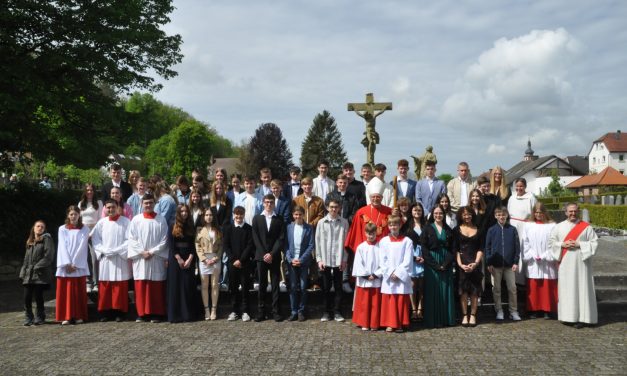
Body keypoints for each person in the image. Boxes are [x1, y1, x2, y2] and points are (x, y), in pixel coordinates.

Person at [548, 203, 598, 328]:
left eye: (575, 211)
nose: (573, 214)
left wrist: (579, 244)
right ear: (566, 212)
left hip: (582, 264)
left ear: (578, 211)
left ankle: (583, 318)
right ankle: (567, 317)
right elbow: (551, 243)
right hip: (565, 263)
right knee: (567, 289)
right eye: (570, 211)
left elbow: (595, 243)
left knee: (582, 288)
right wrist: (562, 245)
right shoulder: (558, 227)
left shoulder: (586, 227)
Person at [127, 194, 169, 323]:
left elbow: (165, 240)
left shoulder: (161, 219)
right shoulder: (136, 220)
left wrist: (151, 252)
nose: (148, 205)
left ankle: (156, 313)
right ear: (141, 204)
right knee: (141, 286)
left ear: (154, 203)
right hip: (141, 258)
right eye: (146, 203)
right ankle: (142, 313)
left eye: (151, 203)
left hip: (155, 257)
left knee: (155, 287)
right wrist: (141, 252)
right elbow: (131, 238)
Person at [91, 200, 131, 322]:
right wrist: (104, 250)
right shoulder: (101, 223)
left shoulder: (126, 222)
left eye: (113, 207)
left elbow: (130, 239)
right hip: (106, 258)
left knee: (119, 286)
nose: (110, 210)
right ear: (105, 209)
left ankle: (119, 312)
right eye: (108, 208)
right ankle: (105, 312)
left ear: (118, 208)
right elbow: (95, 240)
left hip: (119, 258)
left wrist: (116, 250)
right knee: (106, 286)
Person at [251, 194, 286, 322]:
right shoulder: (256, 219)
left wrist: (271, 253)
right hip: (261, 257)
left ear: (274, 204)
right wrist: (264, 254)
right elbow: (255, 238)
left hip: (274, 256)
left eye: (271, 202)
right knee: (262, 284)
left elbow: (280, 238)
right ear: (263, 203)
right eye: (266, 202)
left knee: (275, 284)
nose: (269, 204)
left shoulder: (279, 219)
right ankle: (261, 311)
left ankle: (276, 311)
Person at [377, 215, 413, 333]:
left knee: (400, 299)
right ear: (388, 226)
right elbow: (382, 259)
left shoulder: (407, 241)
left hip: (401, 276)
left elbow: (407, 260)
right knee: (390, 299)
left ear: (400, 225)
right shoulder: (383, 241)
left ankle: (400, 323)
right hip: (389, 276)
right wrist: (390, 272)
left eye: (395, 224)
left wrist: (398, 273)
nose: (393, 227)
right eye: (391, 225)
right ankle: (389, 323)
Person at [421, 205, 456, 328]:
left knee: (446, 290)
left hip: (445, 263)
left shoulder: (448, 230)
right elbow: (424, 248)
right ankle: (433, 320)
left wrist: (445, 264)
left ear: (444, 214)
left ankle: (446, 319)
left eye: (440, 213)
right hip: (432, 263)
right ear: (432, 214)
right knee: (432, 291)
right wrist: (435, 265)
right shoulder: (427, 229)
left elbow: (452, 249)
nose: (438, 215)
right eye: (436, 213)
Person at [316, 198, 350, 322]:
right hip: (325, 259)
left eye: (336, 207)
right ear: (327, 208)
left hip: (339, 260)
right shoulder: (321, 222)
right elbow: (318, 242)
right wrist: (319, 259)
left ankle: (337, 312)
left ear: (339, 208)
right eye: (331, 207)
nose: (334, 209)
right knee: (325, 287)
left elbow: (346, 243)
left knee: (338, 287)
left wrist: (344, 260)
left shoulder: (344, 222)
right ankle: (326, 312)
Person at [485, 206, 521, 321]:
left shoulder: (512, 229)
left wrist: (515, 261)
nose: (501, 217)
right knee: (496, 288)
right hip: (495, 265)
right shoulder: (491, 230)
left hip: (510, 265)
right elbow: (488, 247)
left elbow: (517, 247)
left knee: (512, 288)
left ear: (507, 216)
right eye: (499, 215)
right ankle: (499, 310)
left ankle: (513, 311)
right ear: (495, 216)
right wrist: (489, 262)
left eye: (503, 215)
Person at [56, 205, 90, 325]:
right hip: (66, 266)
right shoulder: (62, 229)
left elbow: (82, 246)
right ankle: (66, 316)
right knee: (66, 292)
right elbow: (62, 247)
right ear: (68, 216)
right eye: (71, 214)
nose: (73, 216)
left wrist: (75, 263)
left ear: (79, 215)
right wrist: (67, 263)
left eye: (75, 214)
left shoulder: (85, 229)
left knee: (78, 292)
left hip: (78, 266)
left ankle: (78, 315)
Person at [522, 202, 557, 319]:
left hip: (547, 259)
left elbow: (554, 243)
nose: (538, 214)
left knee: (548, 286)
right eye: (536, 212)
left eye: (540, 212)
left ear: (544, 212)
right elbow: (525, 242)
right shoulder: (528, 225)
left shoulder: (552, 226)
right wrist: (532, 254)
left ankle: (548, 309)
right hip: (533, 259)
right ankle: (534, 309)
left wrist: (545, 255)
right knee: (534, 285)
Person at [167, 205, 199, 323]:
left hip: (188, 258)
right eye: (182, 211)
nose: (184, 213)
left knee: (187, 286)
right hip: (176, 259)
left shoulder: (191, 226)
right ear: (178, 213)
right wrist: (179, 258)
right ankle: (176, 315)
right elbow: (171, 245)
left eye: (186, 211)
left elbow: (193, 245)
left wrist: (190, 259)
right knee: (176, 286)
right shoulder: (172, 225)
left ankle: (187, 315)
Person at [453, 206, 484, 327]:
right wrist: (460, 264)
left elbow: (481, 248)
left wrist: (475, 263)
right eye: (464, 214)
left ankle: (473, 315)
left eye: (469, 214)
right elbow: (455, 249)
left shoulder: (479, 229)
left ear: (473, 215)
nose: (467, 216)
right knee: (464, 292)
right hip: (462, 264)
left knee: (474, 291)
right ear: (461, 216)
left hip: (475, 263)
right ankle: (465, 315)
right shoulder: (456, 230)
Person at [223, 206, 255, 322]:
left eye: (241, 214)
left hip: (245, 263)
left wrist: (241, 260)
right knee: (233, 288)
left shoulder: (249, 229)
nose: (238, 216)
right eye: (236, 214)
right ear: (233, 215)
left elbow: (250, 246)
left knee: (245, 288)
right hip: (232, 264)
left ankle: (245, 311)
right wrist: (233, 260)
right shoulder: (228, 229)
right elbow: (226, 246)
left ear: (244, 215)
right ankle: (234, 311)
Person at [20, 220, 55, 326]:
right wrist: (22, 272)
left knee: (38, 295)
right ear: (34, 228)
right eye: (38, 226)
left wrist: (37, 266)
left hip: (40, 274)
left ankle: (40, 316)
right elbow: (26, 259)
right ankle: (28, 317)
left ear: (44, 229)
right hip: (29, 274)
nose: (40, 228)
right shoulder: (30, 241)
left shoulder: (47, 239)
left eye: (42, 227)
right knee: (27, 296)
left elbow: (49, 256)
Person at [345, 178, 392, 252]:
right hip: (365, 249)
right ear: (370, 198)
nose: (375, 199)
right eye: (373, 197)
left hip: (384, 249)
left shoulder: (389, 212)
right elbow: (356, 233)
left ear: (382, 198)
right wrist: (360, 249)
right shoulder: (361, 212)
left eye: (378, 197)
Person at [284, 206, 314, 321]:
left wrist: (301, 259)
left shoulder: (309, 228)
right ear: (293, 215)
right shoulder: (289, 227)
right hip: (291, 262)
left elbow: (311, 245)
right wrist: (290, 259)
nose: (298, 217)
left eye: (300, 214)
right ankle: (293, 311)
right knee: (292, 287)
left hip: (303, 262)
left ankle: (301, 311)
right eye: (296, 214)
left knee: (302, 287)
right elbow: (286, 245)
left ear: (303, 215)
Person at [351, 223, 381, 331]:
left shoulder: (380, 246)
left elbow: (384, 263)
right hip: (365, 280)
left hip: (376, 279)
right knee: (364, 303)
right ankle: (364, 322)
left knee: (375, 304)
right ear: (365, 233)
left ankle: (374, 323)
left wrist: (376, 274)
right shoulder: (361, 247)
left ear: (376, 233)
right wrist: (367, 275)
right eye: (368, 233)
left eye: (373, 233)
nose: (371, 236)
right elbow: (358, 263)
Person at [508, 177, 537, 284]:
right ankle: (514, 279)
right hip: (513, 224)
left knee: (524, 249)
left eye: (521, 186)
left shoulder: (531, 197)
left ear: (525, 187)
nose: (519, 188)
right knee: (514, 249)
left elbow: (535, 212)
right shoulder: (512, 197)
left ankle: (524, 279)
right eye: (517, 186)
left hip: (525, 225)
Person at [196, 209, 222, 321]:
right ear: (203, 217)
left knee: (214, 284)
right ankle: (206, 309)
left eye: (211, 215)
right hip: (204, 260)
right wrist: (204, 259)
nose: (208, 217)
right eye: (206, 215)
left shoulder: (218, 229)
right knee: (205, 285)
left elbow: (221, 245)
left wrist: (216, 258)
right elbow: (197, 246)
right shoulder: (199, 230)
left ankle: (214, 310)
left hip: (215, 258)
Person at [78, 183, 102, 293]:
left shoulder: (99, 203)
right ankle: (88, 282)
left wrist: (91, 233)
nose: (89, 192)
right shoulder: (80, 204)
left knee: (94, 258)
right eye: (87, 190)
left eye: (91, 190)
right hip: (83, 233)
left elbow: (100, 220)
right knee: (84, 258)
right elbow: (79, 220)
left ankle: (96, 282)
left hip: (94, 232)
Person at [404, 202, 426, 321]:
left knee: (422, 286)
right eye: (415, 210)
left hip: (423, 256)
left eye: (419, 210)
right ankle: (413, 309)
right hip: (411, 256)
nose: (417, 212)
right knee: (412, 285)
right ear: (411, 212)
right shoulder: (407, 225)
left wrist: (425, 257)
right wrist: (413, 257)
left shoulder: (426, 225)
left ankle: (420, 308)